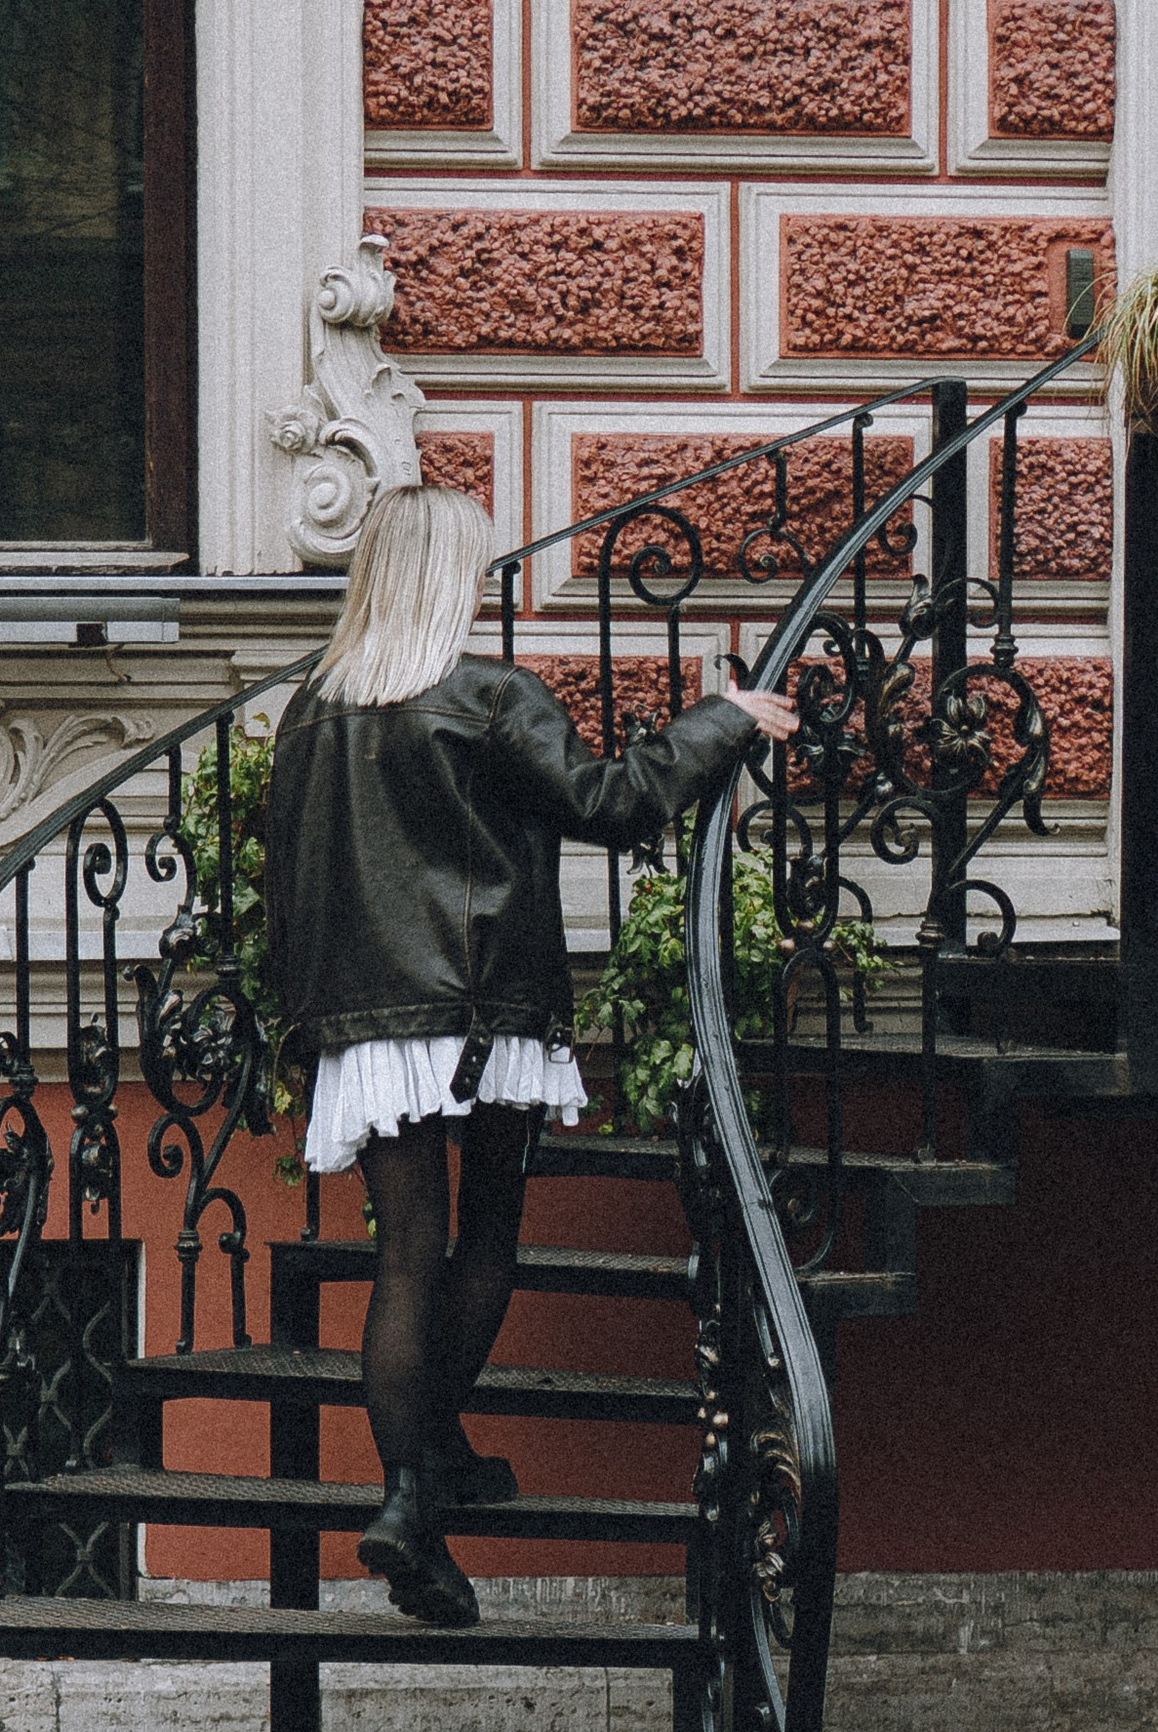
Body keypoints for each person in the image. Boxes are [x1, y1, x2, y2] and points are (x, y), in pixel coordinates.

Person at [264, 486, 798, 1631]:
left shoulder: (310, 712)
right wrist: (726, 719)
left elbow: (293, 886)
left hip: (365, 1017)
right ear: (450, 577)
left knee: (406, 1255)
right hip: (476, 1004)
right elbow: (613, 802)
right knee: (487, 1234)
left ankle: (421, 1474)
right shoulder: (484, 695)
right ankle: (413, 1496)